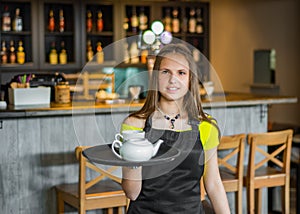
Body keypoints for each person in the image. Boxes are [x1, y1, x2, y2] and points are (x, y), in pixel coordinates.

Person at [121, 43, 230, 213]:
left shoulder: (206, 125)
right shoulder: (135, 124)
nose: (173, 79)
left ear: (190, 79)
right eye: (166, 72)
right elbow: (132, 193)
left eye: (181, 73)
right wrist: (133, 157)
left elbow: (214, 184)